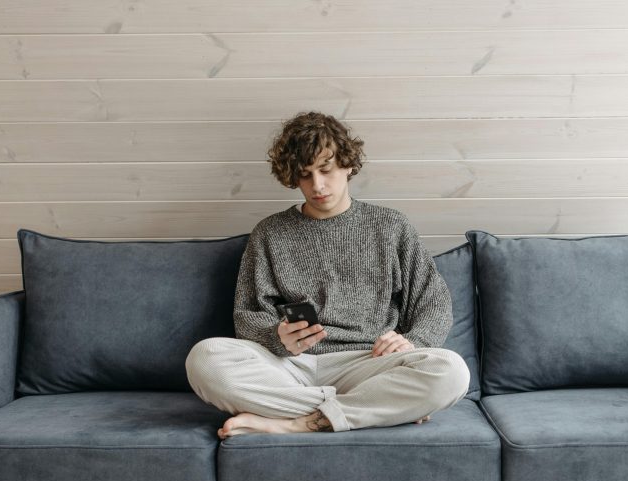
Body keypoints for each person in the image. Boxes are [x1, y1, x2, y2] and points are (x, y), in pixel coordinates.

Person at [186, 112, 469, 438]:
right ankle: (374, 409)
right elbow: (247, 315)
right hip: (291, 366)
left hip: (368, 363)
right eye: (305, 175)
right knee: (204, 359)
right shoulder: (270, 233)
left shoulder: (391, 226)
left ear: (348, 165)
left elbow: (433, 301)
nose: (317, 185)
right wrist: (276, 336)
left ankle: (302, 423)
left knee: (451, 371)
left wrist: (412, 341)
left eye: (325, 170)